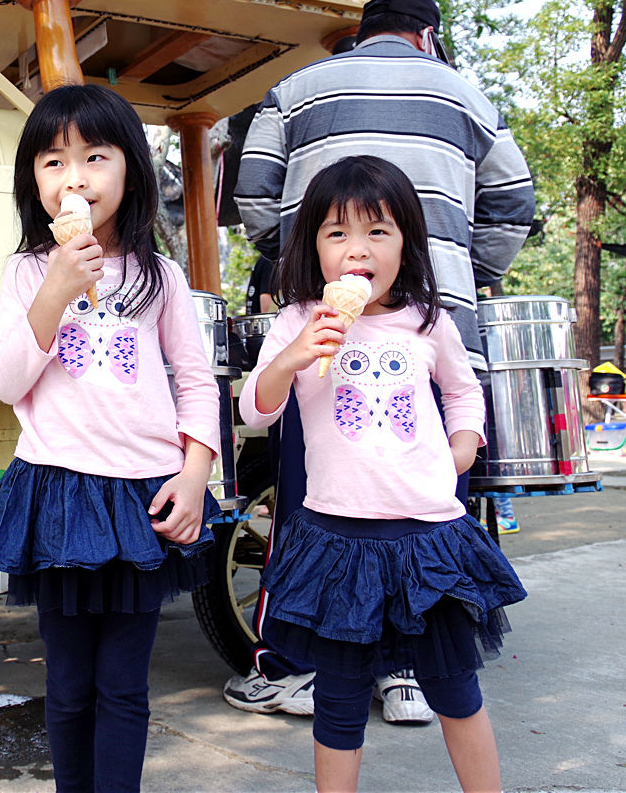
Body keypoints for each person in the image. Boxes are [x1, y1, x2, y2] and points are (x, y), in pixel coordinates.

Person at [229, 0, 535, 720]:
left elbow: (253, 199)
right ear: (427, 35)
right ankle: (408, 674)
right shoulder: (467, 93)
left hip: (373, 334)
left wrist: (306, 259)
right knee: (431, 508)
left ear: (357, 35)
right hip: (432, 314)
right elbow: (514, 200)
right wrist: (464, 268)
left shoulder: (293, 91)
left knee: (311, 508)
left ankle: (301, 662)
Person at [239, 156, 525, 793]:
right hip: (337, 540)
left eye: (378, 232)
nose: (356, 250)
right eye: (337, 233)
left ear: (407, 245)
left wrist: (462, 447)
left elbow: (463, 389)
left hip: (429, 537)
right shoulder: (297, 322)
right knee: (339, 701)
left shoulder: (427, 320)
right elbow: (256, 410)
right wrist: (292, 355)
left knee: (456, 689)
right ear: (314, 245)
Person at [0, 84, 223, 792]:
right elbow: (6, 381)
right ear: (34, 181)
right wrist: (54, 288)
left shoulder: (160, 276)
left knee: (124, 688)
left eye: (94, 158)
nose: (73, 178)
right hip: (58, 491)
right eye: (52, 162)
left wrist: (196, 471)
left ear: (130, 173)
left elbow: (198, 384)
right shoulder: (26, 272)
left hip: (142, 497)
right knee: (70, 685)